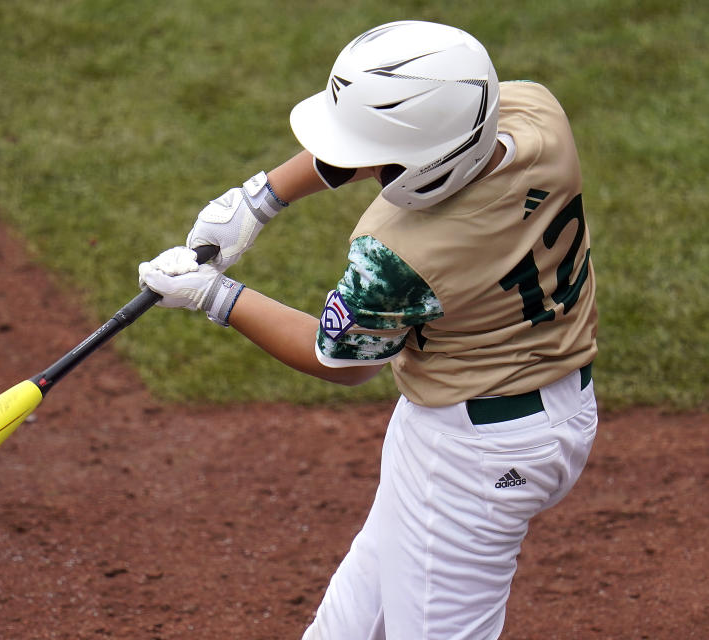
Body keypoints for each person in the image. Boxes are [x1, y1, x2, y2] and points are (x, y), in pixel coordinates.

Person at [138, 20, 598, 640]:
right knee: (352, 625)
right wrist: (260, 198)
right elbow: (431, 138)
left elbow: (344, 363)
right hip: (549, 411)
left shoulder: (401, 255)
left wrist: (217, 296)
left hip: (471, 458)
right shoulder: (537, 117)